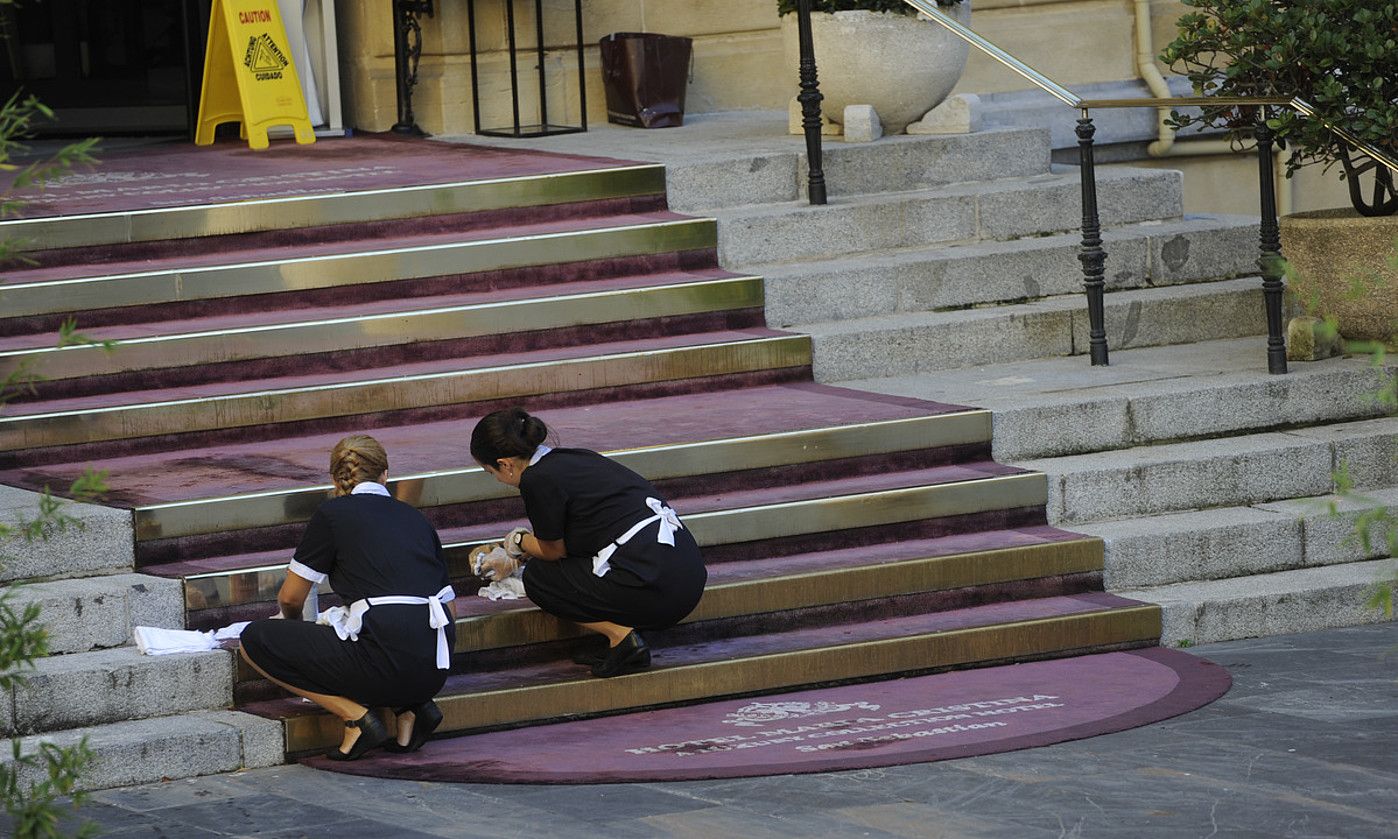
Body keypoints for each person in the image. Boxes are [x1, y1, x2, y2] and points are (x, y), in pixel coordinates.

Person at [239, 435, 456, 760]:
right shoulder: (415, 518)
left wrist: (297, 632)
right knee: (386, 632)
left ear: (335, 478)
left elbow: (291, 597)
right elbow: (449, 605)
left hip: (384, 662)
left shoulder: (333, 514)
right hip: (434, 669)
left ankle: (357, 719)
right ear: (385, 474)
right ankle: (411, 710)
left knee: (254, 640)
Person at [470, 407, 707, 678]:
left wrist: (518, 542)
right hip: (687, 578)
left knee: (539, 579)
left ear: (506, 464)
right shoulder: (574, 458)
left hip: (658, 588)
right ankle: (620, 640)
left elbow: (552, 550)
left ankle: (623, 640)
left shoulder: (536, 480)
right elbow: (583, 535)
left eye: (491, 472)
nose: (497, 479)